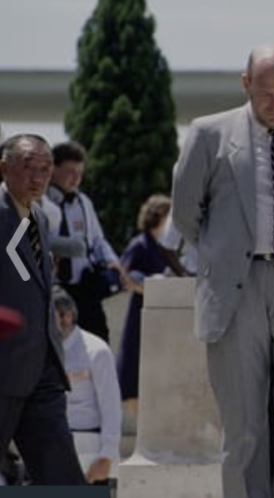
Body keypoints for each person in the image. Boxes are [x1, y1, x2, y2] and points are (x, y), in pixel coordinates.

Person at [171, 45, 274, 498]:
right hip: (235, 289)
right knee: (244, 425)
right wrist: (224, 252)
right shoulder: (208, 134)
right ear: (245, 85)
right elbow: (186, 213)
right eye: (265, 92)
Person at [0, 134, 86, 485]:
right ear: (4, 168)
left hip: (42, 370)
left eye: (46, 169)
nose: (38, 177)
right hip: (4, 369)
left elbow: (25, 278)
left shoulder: (39, 220)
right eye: (28, 167)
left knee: (63, 479)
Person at [42, 141, 131, 343]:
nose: (76, 178)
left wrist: (113, 262)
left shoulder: (84, 202)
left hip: (84, 286)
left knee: (99, 339)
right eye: (70, 171)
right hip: (55, 287)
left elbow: (98, 240)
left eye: (80, 173)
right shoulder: (41, 202)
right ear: (53, 169)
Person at [52, 286, 122, 485]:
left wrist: (106, 457)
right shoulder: (44, 352)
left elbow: (111, 407)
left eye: (50, 317)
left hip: (89, 454)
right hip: (53, 449)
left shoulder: (96, 351)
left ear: (66, 316)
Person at [116, 194, 174, 422]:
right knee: (133, 371)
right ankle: (142, 429)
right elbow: (124, 275)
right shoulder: (140, 244)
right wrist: (150, 289)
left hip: (162, 316)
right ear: (159, 216)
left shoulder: (166, 247)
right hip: (141, 313)